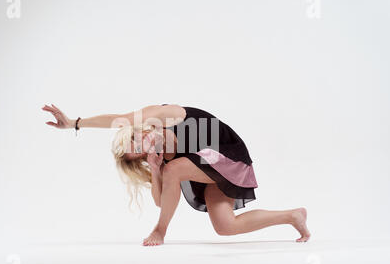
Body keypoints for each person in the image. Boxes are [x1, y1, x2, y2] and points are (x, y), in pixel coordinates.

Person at [42, 103, 310, 246]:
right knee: (225, 227)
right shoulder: (165, 161)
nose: (144, 149)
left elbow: (119, 118)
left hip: (230, 155)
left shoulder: (163, 116)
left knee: (174, 169)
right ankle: (293, 216)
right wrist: (156, 170)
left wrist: (75, 123)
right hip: (209, 169)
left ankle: (160, 230)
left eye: (137, 143)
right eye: (139, 155)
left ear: (139, 130)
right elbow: (161, 200)